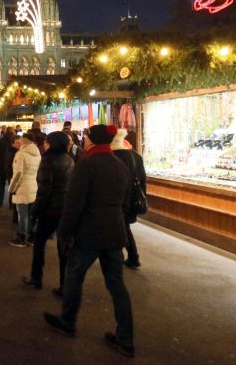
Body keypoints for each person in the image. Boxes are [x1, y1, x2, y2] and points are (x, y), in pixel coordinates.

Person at [44, 124, 135, 358]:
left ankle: (68, 320)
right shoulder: (120, 165)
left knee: (74, 276)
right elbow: (125, 202)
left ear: (92, 140)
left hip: (89, 233)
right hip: (114, 232)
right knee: (117, 285)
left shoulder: (86, 165)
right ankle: (125, 338)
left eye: (86, 137)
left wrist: (64, 231)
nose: (83, 140)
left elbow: (74, 203)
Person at [21, 132, 74, 292]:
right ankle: (65, 284)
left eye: (46, 142)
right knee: (63, 248)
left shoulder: (48, 160)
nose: (44, 144)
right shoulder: (69, 159)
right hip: (65, 209)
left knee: (39, 243)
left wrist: (36, 210)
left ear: (52, 143)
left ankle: (36, 277)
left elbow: (44, 189)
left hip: (50, 210)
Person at [111, 128, 146, 269]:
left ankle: (128, 257)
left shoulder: (113, 157)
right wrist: (142, 196)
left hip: (118, 199)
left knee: (120, 227)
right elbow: (143, 180)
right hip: (133, 198)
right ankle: (132, 257)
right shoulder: (136, 156)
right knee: (124, 226)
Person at [8, 133, 41, 247]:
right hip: (33, 186)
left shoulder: (20, 154)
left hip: (22, 187)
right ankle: (32, 237)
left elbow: (18, 174)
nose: (19, 141)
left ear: (24, 140)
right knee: (31, 214)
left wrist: (11, 188)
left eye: (21, 140)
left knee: (22, 215)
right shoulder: (37, 153)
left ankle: (21, 238)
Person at [0, 128, 15, 206]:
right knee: (12, 185)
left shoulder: (1, 141)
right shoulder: (13, 141)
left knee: (1, 184)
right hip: (11, 166)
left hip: (1, 166)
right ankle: (11, 203)